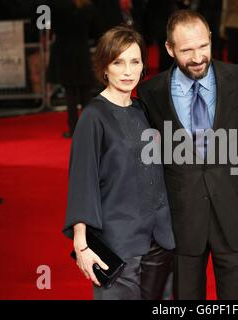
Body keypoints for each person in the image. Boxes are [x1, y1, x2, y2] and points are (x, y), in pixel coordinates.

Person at [137, 10, 238, 300]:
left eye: (203, 46)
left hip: (235, 211)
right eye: (187, 50)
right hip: (181, 218)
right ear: (169, 49)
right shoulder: (150, 92)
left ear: (211, 40)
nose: (197, 57)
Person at [62, 25, 175, 300]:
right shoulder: (93, 116)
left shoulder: (141, 109)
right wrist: (82, 244)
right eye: (118, 62)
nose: (127, 71)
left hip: (159, 239)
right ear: (104, 67)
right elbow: (82, 179)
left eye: (135, 61)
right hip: (119, 243)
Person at [47, 0, 101, 138]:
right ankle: (90, 129)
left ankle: (73, 128)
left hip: (64, 51)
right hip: (81, 50)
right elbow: (96, 31)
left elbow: (51, 26)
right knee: (86, 92)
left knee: (70, 92)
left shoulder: (57, 6)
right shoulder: (88, 7)